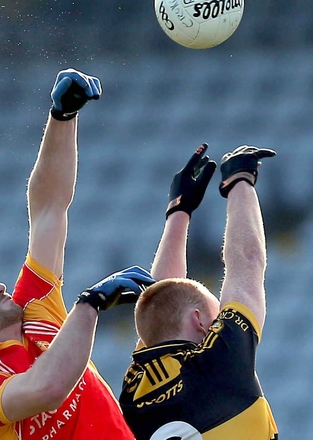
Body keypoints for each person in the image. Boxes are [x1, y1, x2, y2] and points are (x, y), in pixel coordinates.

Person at [0, 68, 152, 440]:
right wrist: (89, 305)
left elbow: (49, 208)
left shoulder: (35, 306)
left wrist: (63, 118)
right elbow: (47, 387)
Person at [119, 144, 279, 440]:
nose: (220, 322)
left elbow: (162, 303)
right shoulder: (218, 364)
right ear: (199, 321)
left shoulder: (135, 390)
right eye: (216, 315)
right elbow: (248, 263)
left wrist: (179, 210)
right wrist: (239, 180)